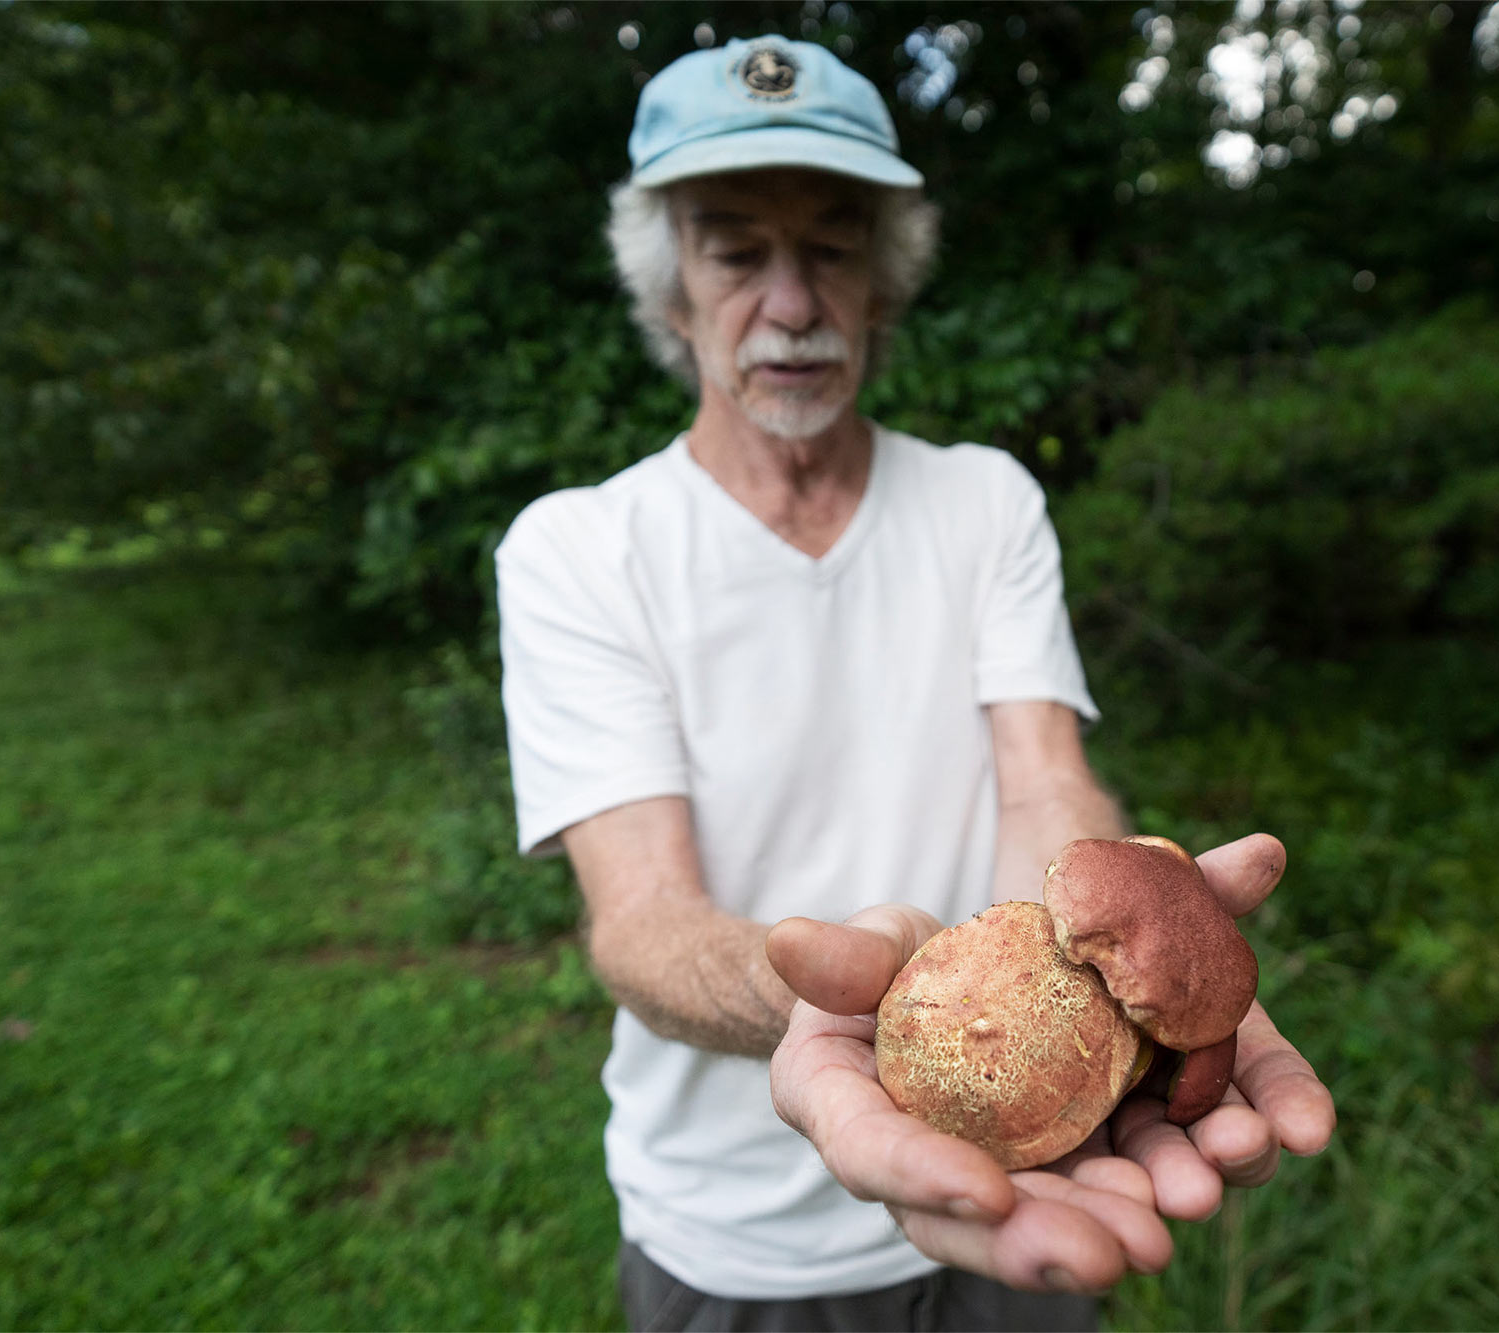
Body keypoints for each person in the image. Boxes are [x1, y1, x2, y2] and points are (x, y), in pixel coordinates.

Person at [496, 35, 1335, 1332]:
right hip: (736, 1243)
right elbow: (643, 920)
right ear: (671, 294)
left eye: (833, 249)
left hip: (1046, 1154)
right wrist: (865, 1000)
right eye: (734, 253)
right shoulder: (579, 549)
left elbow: (1046, 776)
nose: (790, 302)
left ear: (884, 284)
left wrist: (1101, 948)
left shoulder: (985, 502)